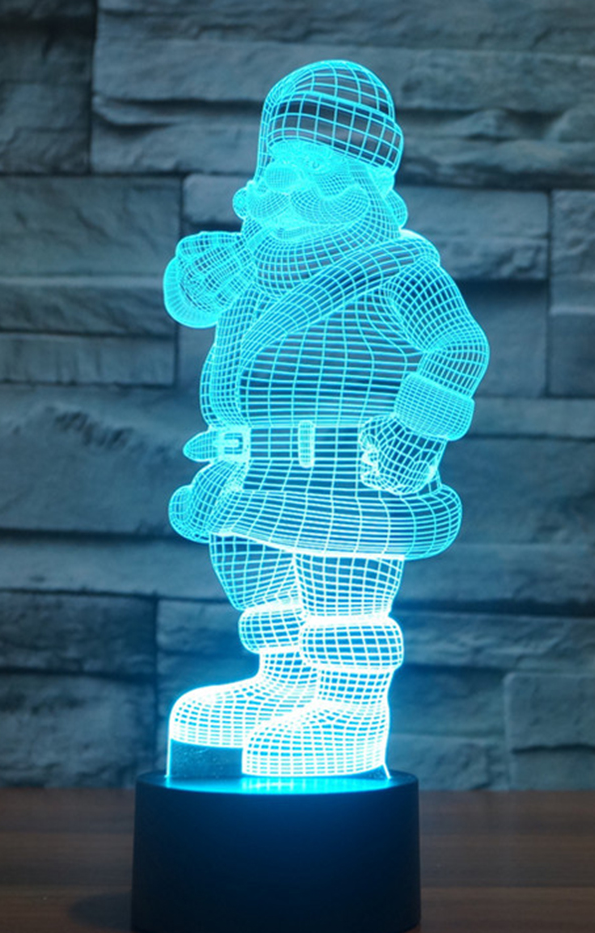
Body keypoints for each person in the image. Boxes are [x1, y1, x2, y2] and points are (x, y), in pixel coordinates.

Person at [163, 60, 489, 778]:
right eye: (280, 165)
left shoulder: (401, 271)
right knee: (258, 577)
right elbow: (189, 303)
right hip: (252, 466)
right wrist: (212, 264)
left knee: (339, 581)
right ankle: (281, 681)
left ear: (366, 182)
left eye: (319, 168)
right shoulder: (254, 262)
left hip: (348, 468)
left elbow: (459, 348)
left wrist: (415, 432)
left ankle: (351, 704)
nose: (292, 183)